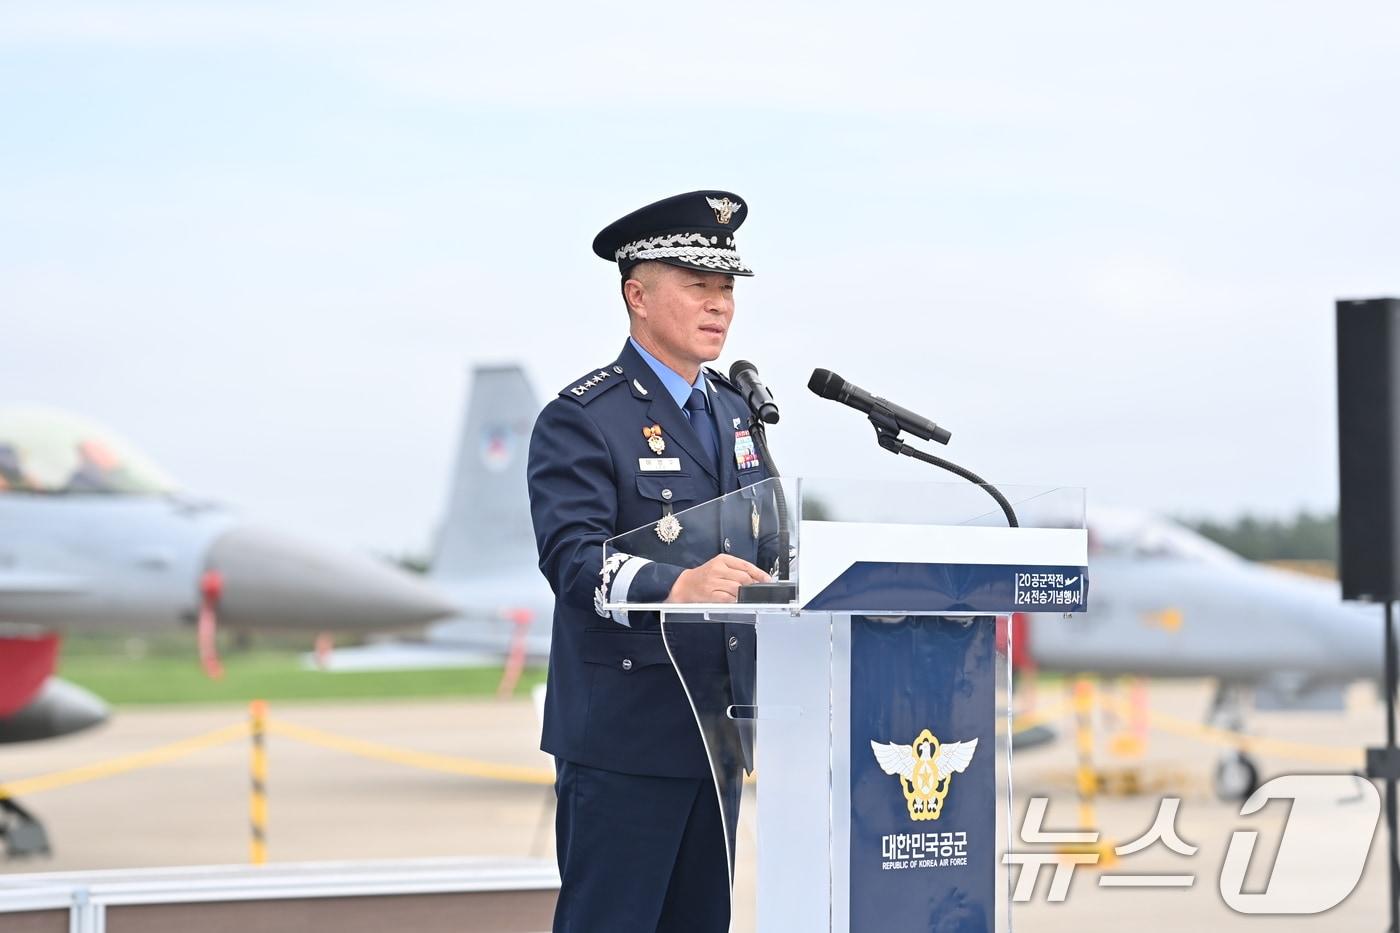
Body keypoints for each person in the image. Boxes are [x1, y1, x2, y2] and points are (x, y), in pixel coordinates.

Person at [527, 190, 777, 932]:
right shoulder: (583, 417)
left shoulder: (735, 412)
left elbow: (767, 542)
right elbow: (573, 563)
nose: (719, 305)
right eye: (698, 285)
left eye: (727, 288)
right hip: (626, 739)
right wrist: (681, 583)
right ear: (637, 295)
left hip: (717, 735)